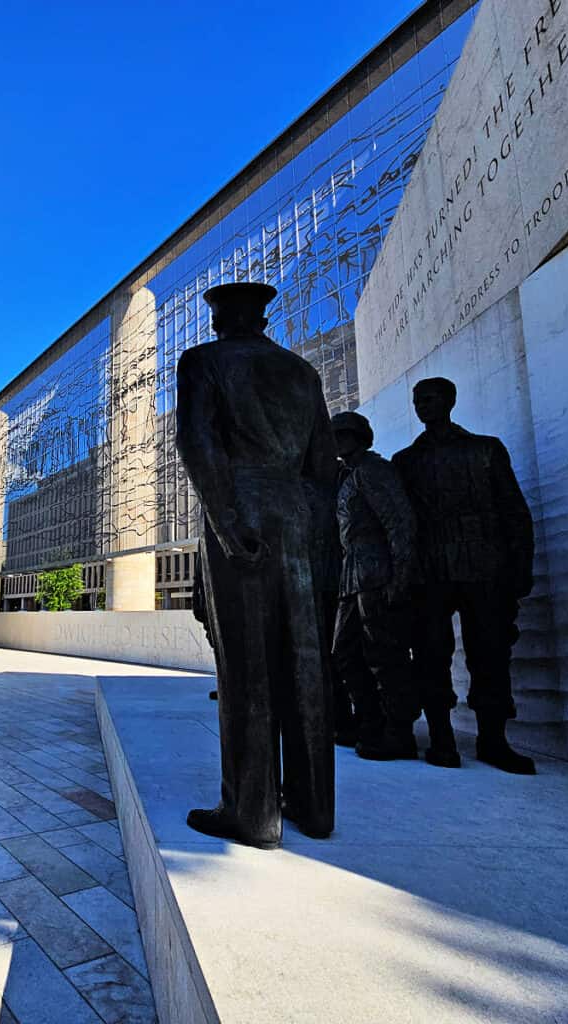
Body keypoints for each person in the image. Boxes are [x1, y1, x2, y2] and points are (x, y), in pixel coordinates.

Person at [176, 281, 339, 849]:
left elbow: (198, 443)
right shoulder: (301, 371)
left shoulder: (203, 361)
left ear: (221, 319)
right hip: (299, 516)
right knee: (306, 662)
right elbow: (324, 465)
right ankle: (315, 807)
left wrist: (224, 521)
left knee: (246, 664)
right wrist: (316, 533)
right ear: (262, 318)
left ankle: (251, 811)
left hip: (240, 507)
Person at [392, 377, 536, 774]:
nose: (422, 405)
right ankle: (442, 738)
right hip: (429, 572)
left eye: (430, 398)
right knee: (430, 656)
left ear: (450, 401)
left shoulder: (485, 450)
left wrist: (521, 566)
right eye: (417, 400)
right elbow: (399, 525)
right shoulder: (405, 461)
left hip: (484, 567)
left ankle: (494, 740)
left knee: (490, 655)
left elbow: (515, 513)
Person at [330, 411, 419, 760]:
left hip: (377, 569)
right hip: (352, 572)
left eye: (342, 434)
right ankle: (369, 722)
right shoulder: (348, 477)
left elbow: (399, 524)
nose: (336, 441)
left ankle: (398, 730)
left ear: (359, 436)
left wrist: (401, 575)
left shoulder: (374, 471)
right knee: (345, 652)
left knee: (385, 653)